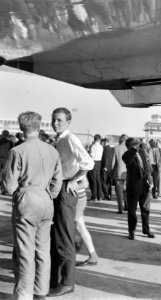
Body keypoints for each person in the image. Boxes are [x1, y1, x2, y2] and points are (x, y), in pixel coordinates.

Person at [1, 111, 62, 300]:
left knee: (25, 252)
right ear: (38, 127)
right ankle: (41, 292)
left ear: (21, 127)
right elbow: (57, 182)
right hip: (46, 200)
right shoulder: (52, 150)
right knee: (43, 250)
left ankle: (24, 294)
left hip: (27, 201)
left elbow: (9, 186)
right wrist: (47, 194)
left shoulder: (17, 151)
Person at [49, 107, 94, 297]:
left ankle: (67, 283)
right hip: (59, 190)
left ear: (68, 122)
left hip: (66, 192)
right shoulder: (60, 139)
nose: (55, 123)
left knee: (65, 239)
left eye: (59, 120)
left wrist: (73, 180)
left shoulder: (70, 138)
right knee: (57, 236)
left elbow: (88, 162)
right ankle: (55, 279)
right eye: (53, 120)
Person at [123, 137, 155, 240]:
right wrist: (133, 149)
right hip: (133, 187)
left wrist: (150, 178)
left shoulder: (143, 152)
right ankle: (132, 231)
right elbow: (128, 159)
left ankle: (146, 229)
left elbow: (148, 166)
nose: (139, 146)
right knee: (132, 211)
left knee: (145, 209)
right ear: (131, 146)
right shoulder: (127, 155)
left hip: (145, 186)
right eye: (136, 144)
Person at [74, 175, 99, 266]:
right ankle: (93, 255)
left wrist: (67, 185)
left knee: (78, 227)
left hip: (77, 199)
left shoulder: (78, 163)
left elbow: (85, 183)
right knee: (80, 227)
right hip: (79, 198)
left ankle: (70, 256)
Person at [112, 134, 128, 213]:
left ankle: (120, 208)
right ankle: (127, 206)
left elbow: (113, 162)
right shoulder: (128, 148)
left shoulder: (116, 148)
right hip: (127, 173)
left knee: (119, 192)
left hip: (118, 173)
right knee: (127, 191)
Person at [88, 134, 103, 201]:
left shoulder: (93, 146)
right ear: (99, 139)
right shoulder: (101, 146)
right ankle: (99, 196)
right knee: (98, 180)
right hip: (99, 163)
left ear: (94, 139)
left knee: (93, 181)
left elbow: (92, 155)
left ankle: (94, 196)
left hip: (93, 163)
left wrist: (88, 152)